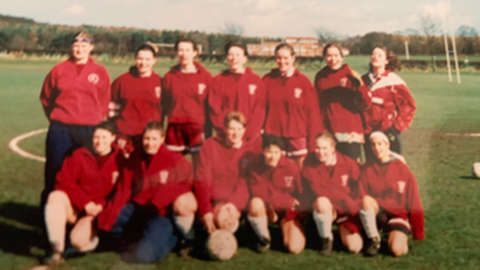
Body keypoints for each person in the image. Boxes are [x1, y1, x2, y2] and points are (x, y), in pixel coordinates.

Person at [97, 121, 197, 263]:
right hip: (138, 207)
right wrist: (113, 211)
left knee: (144, 256)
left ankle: (172, 237)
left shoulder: (174, 160)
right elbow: (125, 186)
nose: (150, 143)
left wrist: (157, 203)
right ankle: (138, 235)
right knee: (106, 223)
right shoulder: (135, 156)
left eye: (154, 139)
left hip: (159, 212)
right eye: (146, 138)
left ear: (162, 139)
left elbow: (183, 184)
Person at [40, 31, 111, 205]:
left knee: (88, 172)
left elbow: (104, 100)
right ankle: (50, 214)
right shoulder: (58, 70)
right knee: (55, 170)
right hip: (61, 128)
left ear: (91, 48)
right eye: (76, 45)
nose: (80, 49)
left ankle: (85, 214)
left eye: (84, 46)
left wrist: (92, 117)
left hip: (89, 129)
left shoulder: (100, 72)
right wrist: (58, 118)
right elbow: (46, 97)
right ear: (71, 47)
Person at [43, 121, 123, 266]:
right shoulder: (80, 155)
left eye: (104, 137)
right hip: (80, 207)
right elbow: (63, 180)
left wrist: (101, 208)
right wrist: (85, 203)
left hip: (99, 213)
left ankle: (96, 238)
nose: (100, 142)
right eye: (96, 137)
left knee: (78, 242)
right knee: (55, 197)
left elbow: (123, 192)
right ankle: (56, 249)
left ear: (113, 138)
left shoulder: (121, 159)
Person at [358, 131, 424, 257]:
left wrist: (418, 231)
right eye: (373, 145)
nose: (377, 148)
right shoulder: (368, 167)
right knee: (366, 200)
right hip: (379, 214)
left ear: (387, 145)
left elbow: (414, 200)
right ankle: (374, 239)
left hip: (397, 215)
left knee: (396, 250)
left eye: (380, 144)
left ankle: (397, 237)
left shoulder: (402, 168)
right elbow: (361, 196)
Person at [302, 132, 363, 255]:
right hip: (325, 208)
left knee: (355, 247)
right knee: (322, 201)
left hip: (343, 211)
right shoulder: (309, 162)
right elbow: (319, 190)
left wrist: (354, 208)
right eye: (318, 148)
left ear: (333, 148)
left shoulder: (348, 163)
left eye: (325, 148)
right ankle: (326, 239)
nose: (320, 152)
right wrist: (346, 201)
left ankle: (346, 230)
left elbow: (358, 189)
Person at [263, 43, 322, 168]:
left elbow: (313, 113)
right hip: (274, 136)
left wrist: (312, 141)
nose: (282, 61)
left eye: (286, 58)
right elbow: (261, 108)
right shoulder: (267, 80)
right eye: (279, 58)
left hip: (297, 136)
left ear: (293, 58)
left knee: (298, 173)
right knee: (276, 172)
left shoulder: (303, 82)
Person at [195, 111, 255, 235]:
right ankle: (190, 239)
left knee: (224, 223)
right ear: (225, 129)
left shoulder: (249, 152)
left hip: (233, 203)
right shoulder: (210, 146)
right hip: (213, 201)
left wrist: (234, 205)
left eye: (239, 129)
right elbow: (203, 180)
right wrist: (207, 210)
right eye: (232, 128)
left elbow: (244, 183)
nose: (235, 133)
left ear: (244, 130)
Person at [246, 134, 305, 254]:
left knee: (294, 248)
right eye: (269, 152)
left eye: (276, 152)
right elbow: (259, 192)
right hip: (268, 209)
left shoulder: (291, 168)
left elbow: (301, 195)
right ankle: (264, 238)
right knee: (255, 203)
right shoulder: (254, 166)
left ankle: (294, 230)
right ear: (262, 151)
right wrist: (286, 201)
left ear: (281, 153)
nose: (272, 157)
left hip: (286, 212)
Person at [314, 43, 371, 163]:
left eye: (336, 55)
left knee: (352, 169)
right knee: (331, 168)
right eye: (329, 55)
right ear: (324, 57)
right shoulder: (320, 77)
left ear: (341, 57)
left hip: (350, 131)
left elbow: (366, 103)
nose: (333, 59)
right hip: (329, 130)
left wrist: (360, 85)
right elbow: (318, 104)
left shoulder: (351, 74)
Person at [161, 38, 213, 165]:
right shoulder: (170, 76)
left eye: (188, 50)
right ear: (177, 53)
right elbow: (164, 104)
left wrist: (208, 131)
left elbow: (210, 106)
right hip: (175, 126)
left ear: (195, 52)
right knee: (173, 167)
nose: (184, 54)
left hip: (198, 127)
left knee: (200, 167)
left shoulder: (205, 76)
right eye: (180, 50)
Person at [361, 46, 416, 157]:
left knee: (392, 167)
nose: (375, 57)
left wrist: (396, 127)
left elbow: (408, 106)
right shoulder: (363, 80)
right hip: (368, 131)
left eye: (380, 55)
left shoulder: (394, 81)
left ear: (386, 61)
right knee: (372, 167)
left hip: (388, 130)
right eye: (373, 54)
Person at [209, 42, 265, 149]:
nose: (234, 58)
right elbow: (215, 110)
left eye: (238, 55)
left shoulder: (256, 80)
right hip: (226, 138)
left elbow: (259, 110)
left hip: (250, 138)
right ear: (226, 57)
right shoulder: (217, 81)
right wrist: (227, 133)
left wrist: (247, 133)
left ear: (245, 58)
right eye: (230, 55)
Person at [109, 43, 162, 157]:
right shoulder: (121, 81)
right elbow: (111, 110)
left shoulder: (160, 83)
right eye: (140, 58)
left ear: (154, 60)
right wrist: (117, 133)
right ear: (135, 59)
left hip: (149, 137)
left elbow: (164, 111)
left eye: (148, 59)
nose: (143, 63)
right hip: (125, 135)